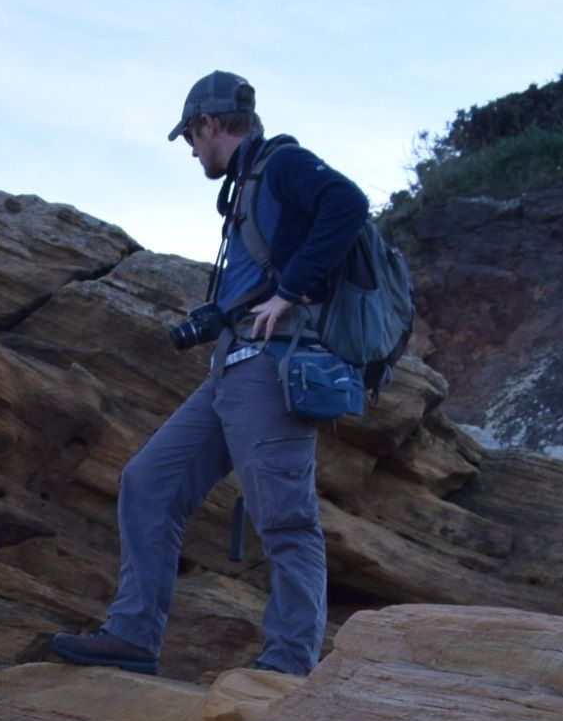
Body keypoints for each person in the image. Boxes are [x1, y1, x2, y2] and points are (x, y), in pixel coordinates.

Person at [51, 71, 366, 678]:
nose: (192, 150)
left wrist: (291, 292)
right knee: (147, 482)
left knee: (286, 518)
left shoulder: (283, 164)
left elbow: (348, 203)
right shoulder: (250, 181)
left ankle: (289, 664)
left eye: (191, 137)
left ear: (210, 124)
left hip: (272, 369)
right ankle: (133, 634)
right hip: (231, 366)